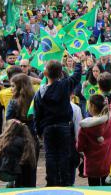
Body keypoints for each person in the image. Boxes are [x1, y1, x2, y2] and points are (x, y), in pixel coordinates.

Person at [33, 56, 82, 187]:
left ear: (44, 74)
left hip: (48, 128)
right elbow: (77, 77)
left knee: (50, 155)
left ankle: (51, 182)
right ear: (61, 73)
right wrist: (78, 63)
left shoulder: (39, 93)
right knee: (64, 155)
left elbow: (37, 114)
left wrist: (38, 130)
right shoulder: (65, 85)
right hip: (63, 127)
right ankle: (65, 182)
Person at [76, 74, 111, 186]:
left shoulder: (85, 127)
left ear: (91, 106)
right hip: (108, 163)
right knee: (108, 190)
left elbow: (79, 147)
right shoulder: (110, 118)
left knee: (94, 190)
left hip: (92, 166)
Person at [0, 119, 36, 187]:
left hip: (0, 171)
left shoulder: (0, 141)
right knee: (25, 161)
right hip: (17, 172)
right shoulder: (25, 141)